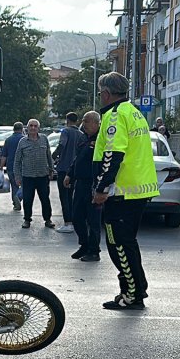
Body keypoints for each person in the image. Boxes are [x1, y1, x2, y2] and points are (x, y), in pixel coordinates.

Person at [92, 72, 159, 310]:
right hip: (136, 189)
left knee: (118, 243)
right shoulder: (134, 112)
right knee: (127, 242)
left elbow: (112, 155)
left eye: (101, 92)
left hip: (122, 191)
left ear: (107, 93)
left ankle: (131, 293)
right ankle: (136, 288)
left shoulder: (115, 115)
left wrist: (101, 188)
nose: (100, 96)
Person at [65, 110, 102, 261]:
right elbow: (78, 159)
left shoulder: (102, 139)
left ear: (95, 123)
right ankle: (84, 245)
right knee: (77, 217)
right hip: (80, 183)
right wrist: (70, 174)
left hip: (93, 184)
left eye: (86, 121)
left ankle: (94, 251)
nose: (83, 124)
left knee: (93, 220)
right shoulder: (84, 138)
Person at [12, 118, 56, 229]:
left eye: (35, 126)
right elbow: (17, 161)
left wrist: (51, 170)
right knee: (27, 199)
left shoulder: (44, 139)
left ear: (38, 128)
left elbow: (48, 156)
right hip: (28, 176)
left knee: (45, 199)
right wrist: (17, 176)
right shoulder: (22, 142)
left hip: (43, 176)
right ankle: (27, 220)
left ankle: (48, 219)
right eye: (31, 125)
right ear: (27, 128)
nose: (33, 128)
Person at [52, 111, 86, 233]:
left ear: (67, 120)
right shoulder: (81, 134)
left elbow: (62, 145)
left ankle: (68, 222)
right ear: (76, 121)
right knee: (72, 195)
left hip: (63, 168)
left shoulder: (65, 132)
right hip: (76, 169)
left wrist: (54, 156)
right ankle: (74, 220)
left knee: (64, 196)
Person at [0, 121, 23, 210]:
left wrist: (1, 167)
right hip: (22, 166)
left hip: (10, 166)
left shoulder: (8, 140)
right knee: (26, 185)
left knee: (14, 185)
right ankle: (19, 196)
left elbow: (4, 155)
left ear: (13, 129)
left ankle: (15, 203)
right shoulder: (24, 139)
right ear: (22, 129)